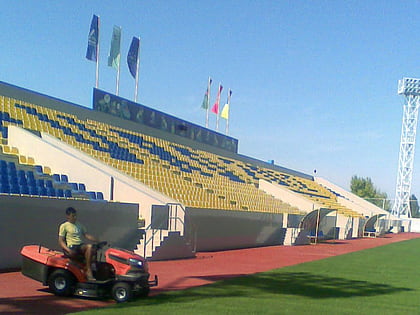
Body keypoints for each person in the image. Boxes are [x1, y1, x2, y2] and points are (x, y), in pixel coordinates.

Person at [58, 207, 99, 280]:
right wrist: (68, 250)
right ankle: (88, 271)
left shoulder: (79, 225)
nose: (75, 217)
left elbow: (86, 235)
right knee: (88, 248)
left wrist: (97, 240)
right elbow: (61, 241)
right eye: (73, 216)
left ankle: (91, 269)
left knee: (91, 247)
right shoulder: (64, 226)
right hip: (71, 246)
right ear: (68, 216)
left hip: (80, 245)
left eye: (75, 215)